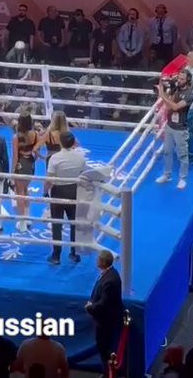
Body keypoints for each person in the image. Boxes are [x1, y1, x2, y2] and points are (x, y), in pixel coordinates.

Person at [45, 131, 86, 265]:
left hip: (58, 191)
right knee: (74, 223)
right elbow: (84, 174)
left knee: (57, 224)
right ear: (73, 142)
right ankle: (74, 253)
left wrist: (45, 192)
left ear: (60, 142)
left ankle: (56, 256)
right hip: (74, 190)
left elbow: (49, 178)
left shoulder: (55, 158)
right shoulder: (80, 157)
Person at [86, 250, 124, 372]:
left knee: (104, 347)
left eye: (98, 259)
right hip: (104, 319)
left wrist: (90, 308)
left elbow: (104, 304)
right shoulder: (108, 274)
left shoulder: (110, 281)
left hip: (106, 321)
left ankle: (109, 373)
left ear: (103, 262)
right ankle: (107, 371)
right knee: (103, 347)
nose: (96, 260)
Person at [157, 70, 192, 189]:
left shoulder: (189, 94)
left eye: (182, 79)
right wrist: (164, 91)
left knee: (182, 155)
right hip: (170, 125)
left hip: (180, 128)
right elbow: (168, 105)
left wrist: (162, 94)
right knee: (167, 152)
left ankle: (183, 179)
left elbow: (175, 107)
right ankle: (167, 175)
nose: (179, 81)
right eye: (179, 78)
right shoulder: (176, 89)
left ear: (187, 80)